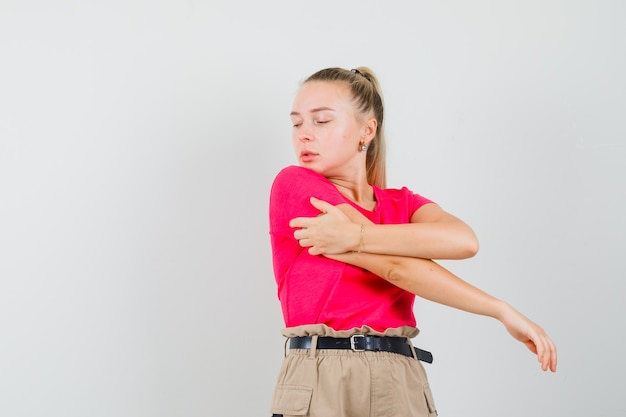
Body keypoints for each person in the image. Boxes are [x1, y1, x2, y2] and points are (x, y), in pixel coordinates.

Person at [268, 66, 557, 417]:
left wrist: (357, 236)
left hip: (399, 372)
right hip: (323, 372)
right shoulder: (296, 186)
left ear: (367, 129)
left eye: (321, 121)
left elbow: (464, 241)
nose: (304, 135)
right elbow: (397, 268)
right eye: (297, 123)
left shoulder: (401, 204)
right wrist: (500, 310)